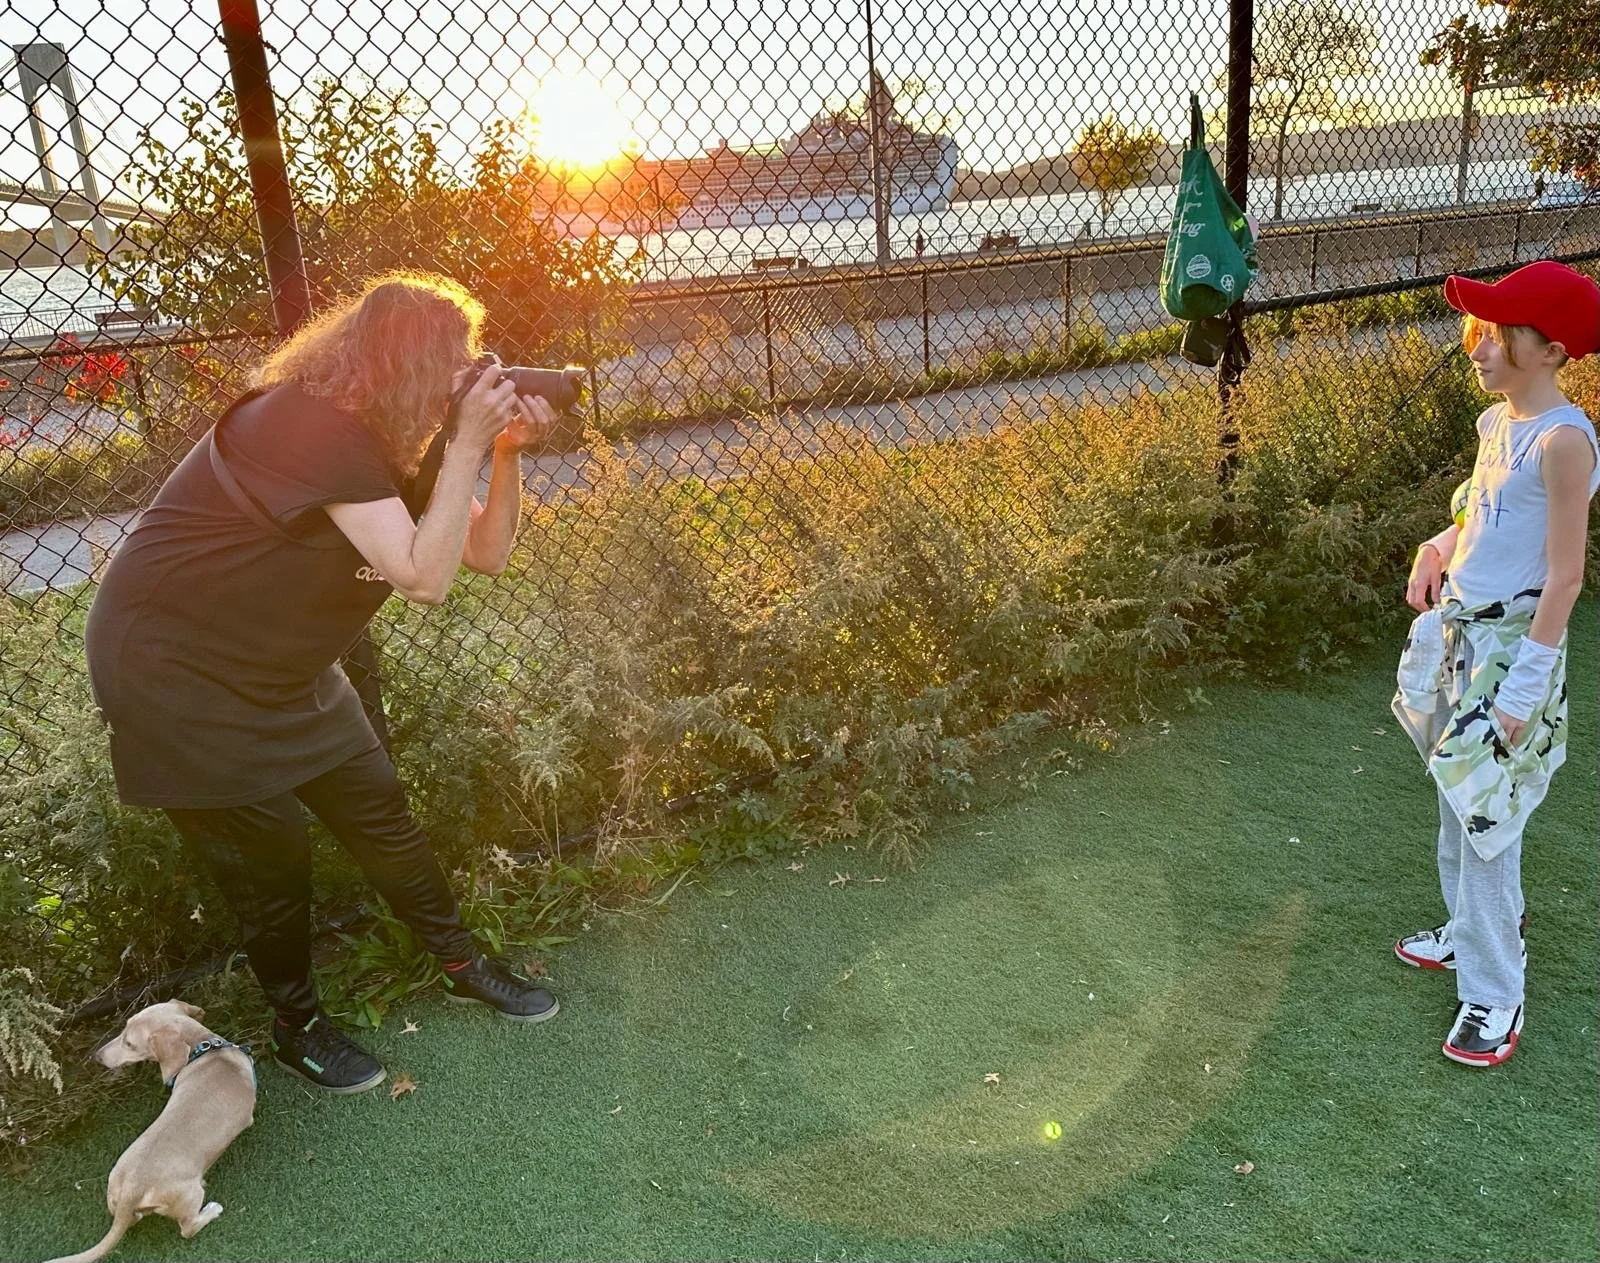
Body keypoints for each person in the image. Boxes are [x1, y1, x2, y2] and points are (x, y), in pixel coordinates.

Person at [86, 273, 561, 1094]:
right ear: (405, 366)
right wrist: (468, 446)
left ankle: (458, 960)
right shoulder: (310, 428)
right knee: (273, 858)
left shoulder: (393, 438)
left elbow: (482, 552)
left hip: (279, 665)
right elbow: (424, 578)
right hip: (176, 672)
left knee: (381, 810)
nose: (471, 373)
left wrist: (503, 455)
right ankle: (295, 1026)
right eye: (455, 359)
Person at [1394, 260, 1600, 1068]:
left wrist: (1524, 686)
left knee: (1487, 822)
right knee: (1458, 799)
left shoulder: (1564, 440)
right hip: (1460, 638)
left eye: (1497, 333)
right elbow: (1473, 516)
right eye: (1477, 331)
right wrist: (1438, 545)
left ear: (1549, 349)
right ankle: (1470, 928)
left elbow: (1565, 573)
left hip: (1512, 653)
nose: (1477, 348)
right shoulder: (1497, 426)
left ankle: (1494, 990)